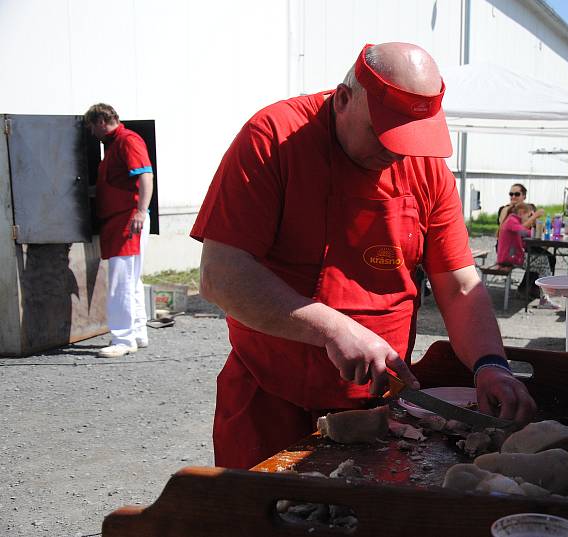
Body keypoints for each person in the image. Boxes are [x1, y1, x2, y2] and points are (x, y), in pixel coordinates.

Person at [191, 42, 538, 469]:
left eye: (409, 139)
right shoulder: (273, 138)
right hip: (270, 400)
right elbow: (222, 274)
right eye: (384, 134)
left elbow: (460, 285)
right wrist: (333, 328)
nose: (396, 151)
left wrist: (489, 364)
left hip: (379, 409)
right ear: (342, 99)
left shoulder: (426, 168)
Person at [84, 104, 153, 358]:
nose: (92, 133)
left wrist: (139, 212)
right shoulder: (114, 146)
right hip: (121, 220)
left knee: (120, 281)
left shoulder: (127, 141)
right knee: (130, 280)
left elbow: (146, 176)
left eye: (92, 126)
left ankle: (123, 338)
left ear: (101, 120)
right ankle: (136, 333)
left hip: (127, 221)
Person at [497, 203, 560, 309]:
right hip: (510, 258)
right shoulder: (512, 220)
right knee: (544, 261)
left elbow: (525, 234)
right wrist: (535, 219)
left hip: (510, 256)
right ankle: (544, 298)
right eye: (528, 216)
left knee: (544, 260)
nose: (528, 219)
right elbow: (524, 232)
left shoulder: (512, 220)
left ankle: (543, 296)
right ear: (521, 213)